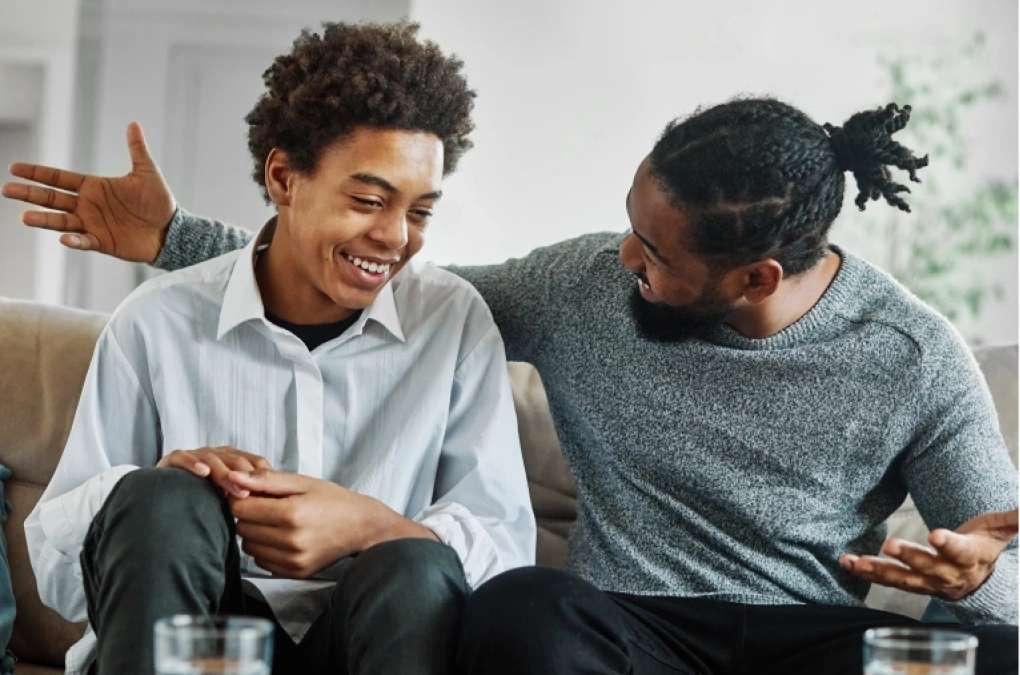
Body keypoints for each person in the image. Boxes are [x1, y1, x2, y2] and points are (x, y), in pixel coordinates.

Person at [7, 93, 1020, 673]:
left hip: (805, 637)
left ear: (755, 277)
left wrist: (975, 580)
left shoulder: (913, 354)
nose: (623, 252)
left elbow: (997, 566)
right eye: (631, 217)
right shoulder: (586, 284)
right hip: (627, 630)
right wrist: (176, 242)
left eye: (656, 251)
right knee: (525, 609)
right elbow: (392, 276)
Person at [15, 21, 535, 675]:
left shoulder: (454, 321)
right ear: (285, 177)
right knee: (161, 499)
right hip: (193, 648)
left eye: (420, 210)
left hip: (365, 643)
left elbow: (507, 556)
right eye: (369, 199)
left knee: (413, 560)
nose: (396, 236)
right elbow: (59, 578)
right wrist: (157, 488)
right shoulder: (157, 320)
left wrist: (366, 523)